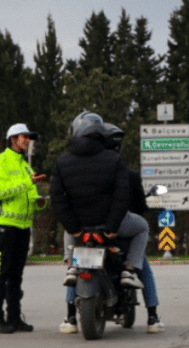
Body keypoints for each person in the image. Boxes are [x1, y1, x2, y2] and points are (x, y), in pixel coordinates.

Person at [59, 122, 164, 334]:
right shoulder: (124, 171)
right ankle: (152, 316)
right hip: (116, 231)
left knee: (77, 265)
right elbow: (134, 206)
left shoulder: (75, 165)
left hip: (83, 228)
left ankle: (70, 317)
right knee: (142, 263)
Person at [51, 110, 149, 294]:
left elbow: (57, 199)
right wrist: (111, 226)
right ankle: (129, 270)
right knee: (142, 226)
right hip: (110, 225)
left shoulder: (62, 162)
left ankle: (71, 265)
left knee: (67, 230)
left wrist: (73, 227)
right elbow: (122, 196)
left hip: (80, 225)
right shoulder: (114, 160)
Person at [0, 124, 47, 334]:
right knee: (0, 275)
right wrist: (26, 182)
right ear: (13, 139)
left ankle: (14, 317)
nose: (27, 140)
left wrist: (40, 201)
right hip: (5, 226)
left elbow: (30, 192)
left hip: (23, 227)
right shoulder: (0, 161)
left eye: (29, 137)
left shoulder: (24, 165)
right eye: (24, 136)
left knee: (16, 276)